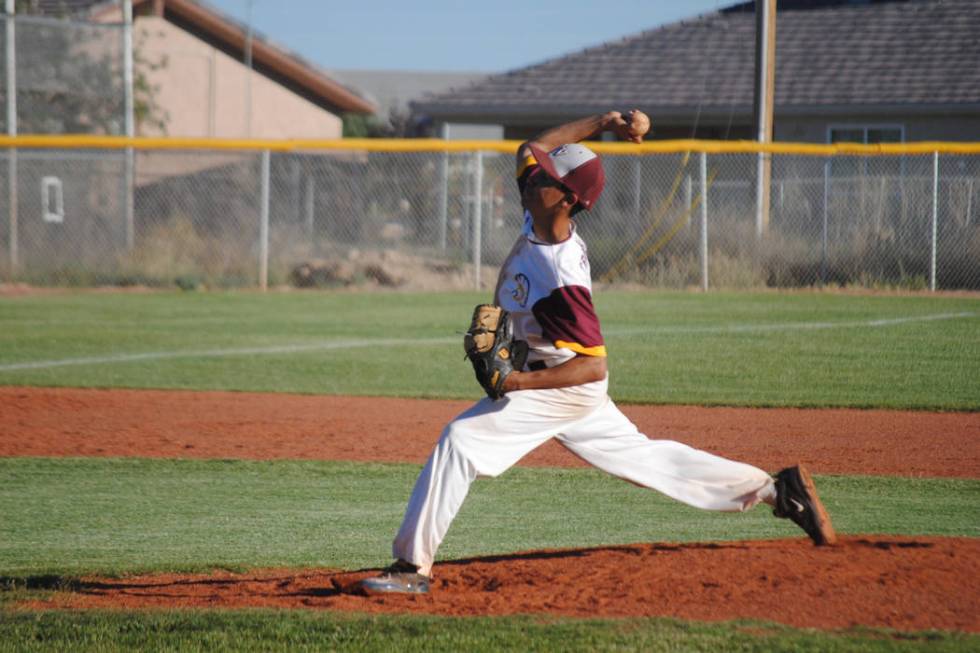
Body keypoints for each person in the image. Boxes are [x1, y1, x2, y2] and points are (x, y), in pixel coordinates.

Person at [359, 111, 836, 595]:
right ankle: (780, 492)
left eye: (544, 177)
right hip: (563, 384)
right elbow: (532, 144)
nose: (529, 177)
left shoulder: (560, 275)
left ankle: (410, 569)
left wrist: (517, 383)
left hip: (563, 384)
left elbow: (593, 365)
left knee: (461, 441)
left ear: (567, 198)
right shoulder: (539, 209)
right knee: (650, 461)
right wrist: (606, 120)